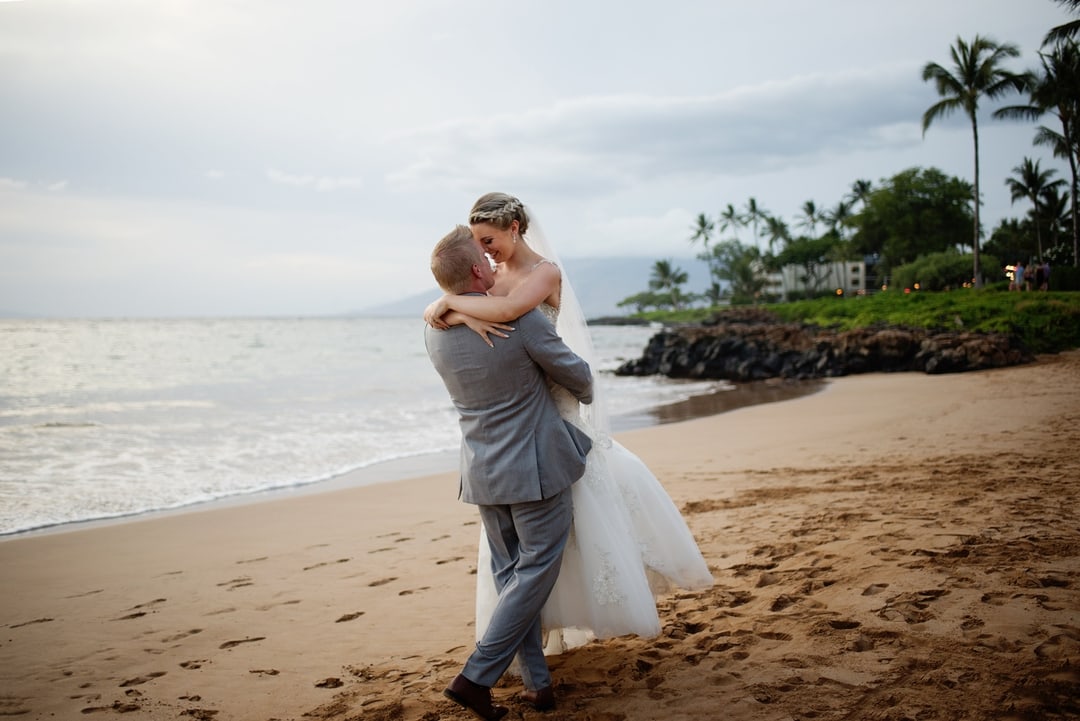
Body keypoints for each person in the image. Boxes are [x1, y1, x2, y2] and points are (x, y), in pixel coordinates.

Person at [424, 193, 714, 657]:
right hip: (522, 414)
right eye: (478, 245)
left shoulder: (544, 274)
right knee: (533, 544)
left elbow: (504, 315)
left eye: (489, 240)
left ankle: (532, 636)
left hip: (550, 408)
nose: (485, 252)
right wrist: (451, 306)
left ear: (515, 228)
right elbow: (482, 308)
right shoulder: (492, 277)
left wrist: (449, 307)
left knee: (575, 523)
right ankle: (533, 633)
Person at [424, 225, 595, 719]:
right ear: (478, 270)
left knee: (509, 575)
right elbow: (578, 376)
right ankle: (475, 677)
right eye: (484, 253)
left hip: (481, 471)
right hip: (535, 466)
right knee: (537, 568)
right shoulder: (521, 323)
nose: (492, 257)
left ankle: (538, 684)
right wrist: (576, 392)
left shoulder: (435, 330)